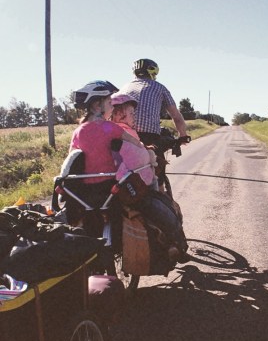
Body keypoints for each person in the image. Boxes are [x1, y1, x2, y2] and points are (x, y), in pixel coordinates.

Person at [109, 92, 189, 265]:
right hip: (133, 182)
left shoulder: (108, 131)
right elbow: (136, 155)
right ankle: (177, 244)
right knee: (160, 202)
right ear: (120, 115)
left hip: (111, 182)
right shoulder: (127, 131)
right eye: (131, 114)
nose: (133, 118)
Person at [67, 80, 143, 230]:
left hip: (85, 190)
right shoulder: (109, 127)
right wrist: (145, 149)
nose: (112, 107)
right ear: (97, 106)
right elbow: (136, 144)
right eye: (109, 103)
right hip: (108, 187)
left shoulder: (78, 131)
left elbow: (71, 160)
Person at [118, 58, 190, 192]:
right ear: (152, 72)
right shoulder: (159, 87)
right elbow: (176, 117)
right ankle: (160, 194)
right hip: (149, 138)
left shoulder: (124, 87)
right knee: (158, 177)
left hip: (121, 137)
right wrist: (183, 135)